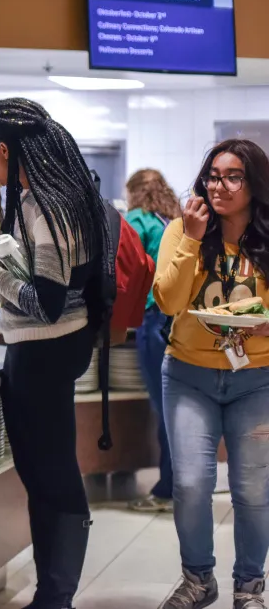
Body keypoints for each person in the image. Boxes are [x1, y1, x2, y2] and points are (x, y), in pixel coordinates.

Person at [0, 98, 111, 609]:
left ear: (5, 149)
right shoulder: (63, 198)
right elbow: (41, 267)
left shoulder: (42, 206)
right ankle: (54, 594)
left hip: (42, 349)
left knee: (48, 475)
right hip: (63, 347)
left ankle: (55, 596)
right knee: (48, 471)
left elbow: (45, 302)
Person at [154, 139, 269, 609]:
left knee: (254, 489)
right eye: (214, 176)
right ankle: (199, 579)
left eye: (233, 176)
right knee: (190, 484)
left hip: (257, 378)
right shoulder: (183, 229)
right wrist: (191, 238)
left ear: (254, 183)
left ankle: (249, 586)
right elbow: (168, 300)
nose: (220, 185)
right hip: (188, 375)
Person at [125, 169, 182, 514]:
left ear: (133, 193)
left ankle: (168, 489)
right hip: (176, 319)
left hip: (152, 317)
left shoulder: (136, 219)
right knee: (175, 405)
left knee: (164, 408)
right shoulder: (171, 220)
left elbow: (123, 269)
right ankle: (179, 483)